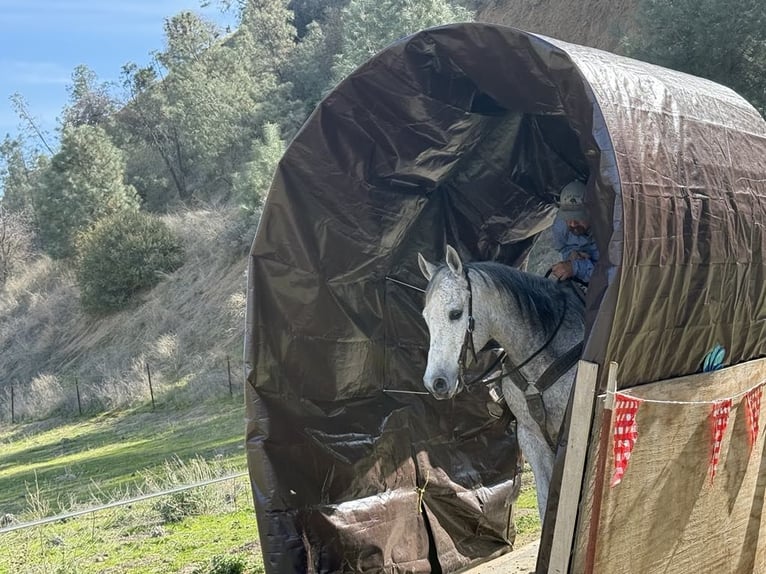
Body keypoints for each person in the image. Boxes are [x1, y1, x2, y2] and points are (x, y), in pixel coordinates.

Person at [550, 179, 598, 284]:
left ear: (591, 213)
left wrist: (576, 267)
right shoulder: (560, 228)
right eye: (568, 218)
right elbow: (564, 248)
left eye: (578, 217)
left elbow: (614, 274)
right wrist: (571, 254)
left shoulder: (609, 230)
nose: (572, 224)